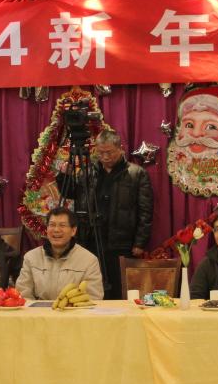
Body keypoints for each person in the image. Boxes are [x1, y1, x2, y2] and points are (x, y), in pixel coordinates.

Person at [69, 129, 153, 300]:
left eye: (109, 152)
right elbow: (73, 196)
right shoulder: (89, 171)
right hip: (92, 239)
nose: (105, 157)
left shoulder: (136, 173)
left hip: (122, 242)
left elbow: (146, 211)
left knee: (118, 289)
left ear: (120, 149)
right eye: (101, 153)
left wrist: (140, 243)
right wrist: (63, 176)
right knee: (91, 288)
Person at [15, 207, 103, 301]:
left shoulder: (89, 260)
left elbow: (93, 298)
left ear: (73, 231)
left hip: (74, 309)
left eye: (62, 225)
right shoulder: (31, 257)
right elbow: (23, 294)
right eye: (52, 225)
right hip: (40, 310)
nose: (56, 230)